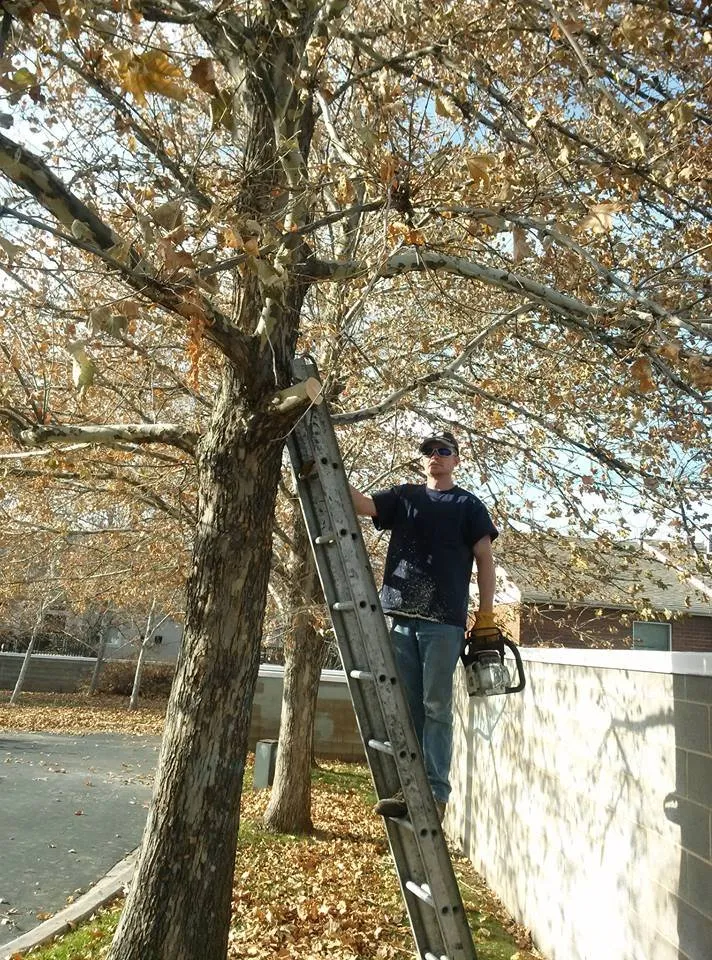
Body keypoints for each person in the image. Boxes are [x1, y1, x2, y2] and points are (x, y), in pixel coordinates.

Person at [350, 430, 498, 821]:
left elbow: (484, 558)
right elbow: (364, 506)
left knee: (436, 706)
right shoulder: (406, 497)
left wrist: (485, 615)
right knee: (409, 707)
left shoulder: (468, 505)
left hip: (443, 622)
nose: (435, 456)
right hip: (402, 618)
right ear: (423, 459)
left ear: (456, 460)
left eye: (443, 451)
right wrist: (324, 475)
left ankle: (436, 793)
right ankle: (409, 790)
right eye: (429, 451)